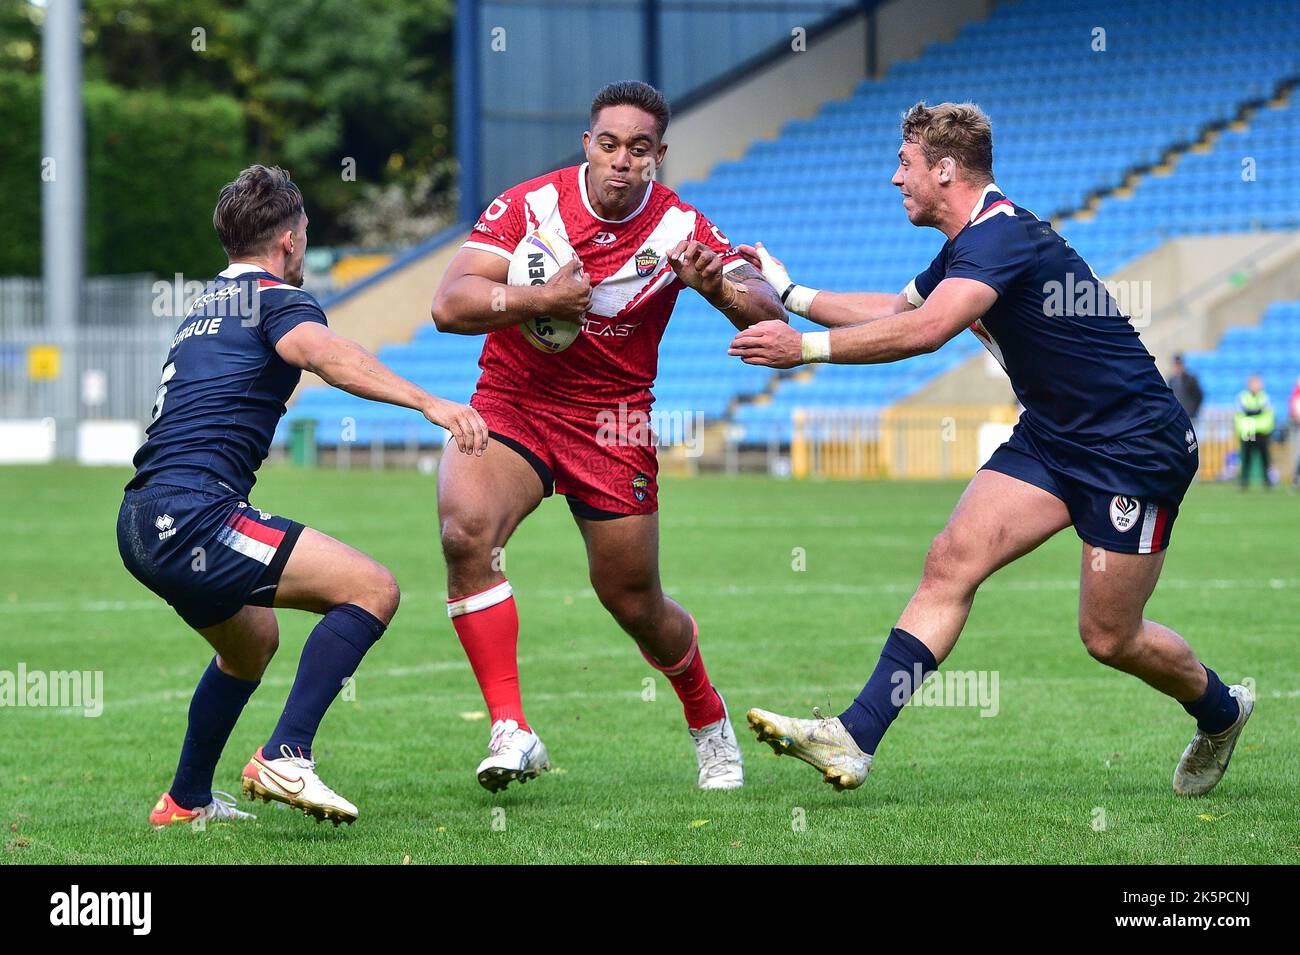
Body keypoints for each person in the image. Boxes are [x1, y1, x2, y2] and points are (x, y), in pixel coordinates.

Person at [728, 102, 1251, 797]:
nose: (894, 179)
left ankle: (1221, 711)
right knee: (950, 560)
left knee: (1109, 636)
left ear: (945, 170)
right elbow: (897, 311)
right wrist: (791, 291)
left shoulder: (1002, 235)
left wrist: (803, 348)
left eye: (904, 164)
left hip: (1133, 447)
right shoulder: (969, 242)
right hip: (1054, 434)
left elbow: (929, 330)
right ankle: (854, 738)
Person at [431, 81, 785, 792]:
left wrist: (716, 286)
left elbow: (765, 308)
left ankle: (707, 717)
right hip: (513, 402)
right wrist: (538, 300)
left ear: (658, 156)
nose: (623, 160)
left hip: (612, 419)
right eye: (611, 143)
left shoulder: (681, 226)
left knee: (633, 601)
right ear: (588, 143)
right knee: (466, 532)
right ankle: (511, 727)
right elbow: (449, 304)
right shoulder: (529, 207)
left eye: (641, 149)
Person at [118, 165, 489, 828]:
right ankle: (285, 753)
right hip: (193, 516)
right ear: (288, 241)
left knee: (250, 643)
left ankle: (185, 800)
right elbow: (323, 353)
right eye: (307, 230)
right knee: (372, 588)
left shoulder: (208, 307)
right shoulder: (276, 300)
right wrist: (427, 401)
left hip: (142, 518)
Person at [1235, 375, 1275, 490]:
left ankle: (1267, 481)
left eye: (1257, 383)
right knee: (1246, 457)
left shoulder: (1264, 397)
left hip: (1262, 432)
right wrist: (1256, 412)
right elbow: (1243, 411)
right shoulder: (1243, 397)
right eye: (1254, 383)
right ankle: (1244, 481)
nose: (1256, 386)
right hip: (1248, 432)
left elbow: (1263, 412)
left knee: (1265, 457)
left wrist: (1252, 413)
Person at [1166, 354, 1203, 421]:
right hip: (1177, 415)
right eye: (1176, 365)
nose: (1178, 367)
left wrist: (1193, 410)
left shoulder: (1191, 379)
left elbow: (1199, 395)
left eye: (1179, 364)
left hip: (1190, 414)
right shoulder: (1171, 380)